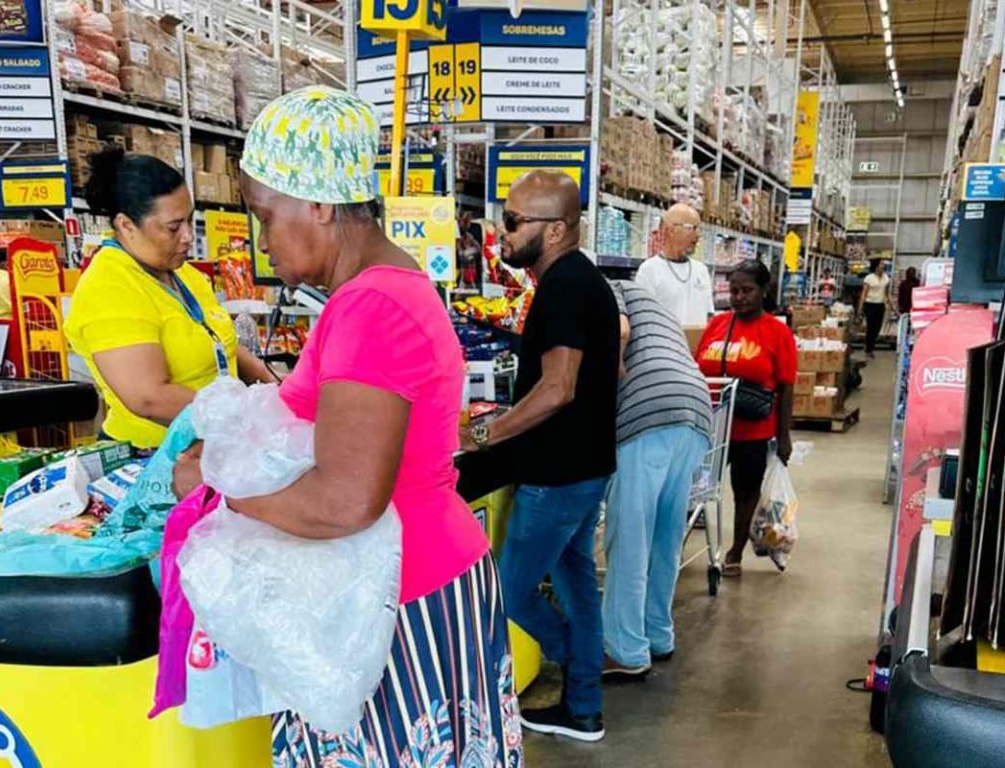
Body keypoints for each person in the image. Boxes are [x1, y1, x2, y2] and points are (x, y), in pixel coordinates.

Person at [174, 88, 522, 765]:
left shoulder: (371, 308)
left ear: (320, 204)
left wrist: (217, 487)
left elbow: (345, 501)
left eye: (265, 215)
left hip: (397, 603)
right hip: (411, 583)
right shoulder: (388, 288)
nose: (261, 238)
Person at [459, 170, 620, 742]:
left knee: (508, 589)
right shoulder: (581, 282)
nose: (502, 232)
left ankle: (576, 667)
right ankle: (584, 709)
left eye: (512, 221)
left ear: (554, 230)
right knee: (577, 584)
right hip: (585, 466)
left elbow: (559, 387)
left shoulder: (566, 286)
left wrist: (482, 436)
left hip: (557, 476)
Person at [64, 148, 275, 450]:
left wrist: (279, 388)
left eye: (189, 220)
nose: (188, 236)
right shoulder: (109, 286)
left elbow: (222, 345)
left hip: (217, 443)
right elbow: (149, 397)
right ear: (126, 225)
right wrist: (246, 417)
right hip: (154, 456)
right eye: (174, 227)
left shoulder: (182, 273)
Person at [602, 279, 712, 678]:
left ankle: (625, 650)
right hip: (695, 408)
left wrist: (610, 375)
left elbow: (620, 330)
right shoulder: (655, 305)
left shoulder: (606, 285)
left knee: (629, 536)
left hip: (649, 410)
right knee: (665, 534)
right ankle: (658, 634)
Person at [695, 260, 796, 576]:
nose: (739, 297)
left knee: (745, 490)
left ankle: (735, 551)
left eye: (747, 290)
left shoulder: (777, 332)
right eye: (734, 291)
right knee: (694, 489)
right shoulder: (718, 325)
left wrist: (784, 436)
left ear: (764, 291)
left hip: (752, 430)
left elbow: (786, 386)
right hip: (709, 426)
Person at [635, 204, 714, 327]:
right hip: (664, 345)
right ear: (671, 230)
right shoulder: (649, 270)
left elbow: (709, 316)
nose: (698, 235)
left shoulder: (701, 270)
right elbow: (643, 320)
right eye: (692, 228)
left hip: (697, 345)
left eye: (699, 229)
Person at [858, 259, 894, 357]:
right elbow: (864, 294)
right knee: (870, 327)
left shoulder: (886, 278)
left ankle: (869, 345)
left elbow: (887, 294)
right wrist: (860, 309)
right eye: (881, 264)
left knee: (877, 328)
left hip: (880, 305)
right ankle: (869, 349)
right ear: (876, 266)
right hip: (869, 305)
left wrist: (893, 307)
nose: (883, 265)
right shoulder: (869, 278)